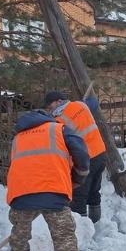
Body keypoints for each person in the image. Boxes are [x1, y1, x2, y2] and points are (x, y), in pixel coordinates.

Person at [6, 104, 96, 251]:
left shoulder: (17, 138)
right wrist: (79, 177)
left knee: (20, 230)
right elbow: (81, 152)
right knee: (63, 234)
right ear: (47, 118)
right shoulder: (59, 129)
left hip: (21, 190)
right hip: (52, 189)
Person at [44, 90, 106, 223]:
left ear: (59, 101)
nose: (49, 109)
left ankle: (82, 229)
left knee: (79, 196)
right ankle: (97, 223)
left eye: (50, 106)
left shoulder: (59, 120)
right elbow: (94, 102)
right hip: (100, 153)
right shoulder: (81, 105)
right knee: (94, 191)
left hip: (86, 159)